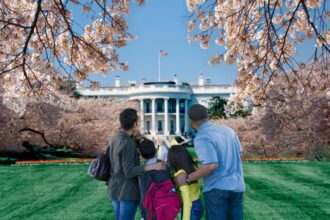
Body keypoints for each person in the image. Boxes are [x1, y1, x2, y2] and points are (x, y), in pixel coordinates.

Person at [176, 104, 245, 220]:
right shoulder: (229, 131)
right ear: (207, 117)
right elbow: (239, 155)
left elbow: (211, 165)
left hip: (217, 190)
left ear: (191, 120)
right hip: (237, 187)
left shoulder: (202, 136)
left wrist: (187, 179)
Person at [107, 108, 164, 220]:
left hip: (115, 189)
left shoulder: (115, 138)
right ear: (134, 123)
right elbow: (129, 172)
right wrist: (152, 166)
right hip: (126, 192)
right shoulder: (127, 143)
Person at [137, 137, 180, 220]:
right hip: (170, 210)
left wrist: (143, 215)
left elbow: (143, 196)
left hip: (153, 213)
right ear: (156, 151)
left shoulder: (143, 173)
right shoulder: (166, 167)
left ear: (141, 156)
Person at [168, 145, 204, 220]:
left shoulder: (180, 175)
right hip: (198, 204)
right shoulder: (193, 167)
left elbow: (187, 201)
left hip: (190, 207)